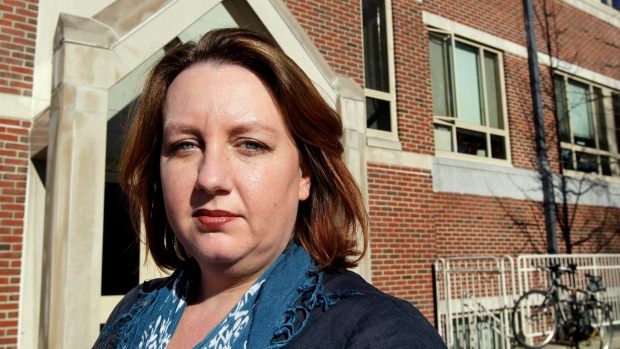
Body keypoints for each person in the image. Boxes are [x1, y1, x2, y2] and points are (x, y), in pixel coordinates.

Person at [93, 28, 447, 349]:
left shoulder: (377, 332)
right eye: (185, 145)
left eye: (250, 145)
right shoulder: (132, 310)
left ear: (304, 175)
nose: (210, 178)